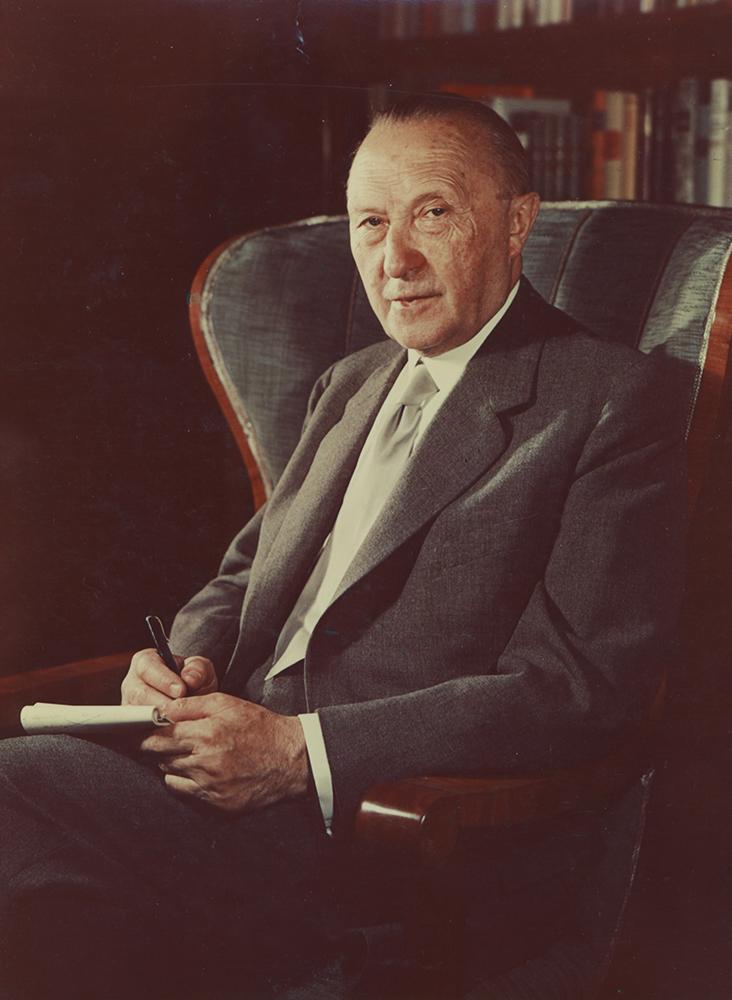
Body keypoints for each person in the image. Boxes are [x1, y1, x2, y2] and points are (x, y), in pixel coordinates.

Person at [0, 95, 685, 999]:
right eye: (370, 223)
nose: (394, 261)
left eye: (432, 213)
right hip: (214, 785)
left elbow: (578, 687)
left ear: (518, 222)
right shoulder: (352, 383)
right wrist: (180, 666)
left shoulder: (608, 399)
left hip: (381, 834)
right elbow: (245, 573)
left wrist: (299, 752)